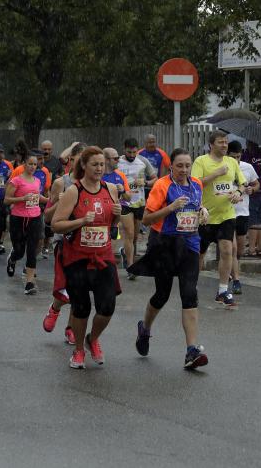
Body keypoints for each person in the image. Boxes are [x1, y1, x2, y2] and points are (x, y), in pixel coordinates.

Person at [129, 148, 210, 369]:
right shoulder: (162, 185)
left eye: (187, 165)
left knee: (189, 293)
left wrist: (202, 210)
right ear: (171, 166)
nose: (184, 170)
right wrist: (171, 207)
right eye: (180, 166)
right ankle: (144, 328)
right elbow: (146, 219)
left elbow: (194, 206)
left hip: (190, 244)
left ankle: (191, 350)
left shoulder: (197, 184)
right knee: (162, 294)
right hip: (164, 244)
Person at [52, 146, 122, 369]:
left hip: (103, 255)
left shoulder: (111, 189)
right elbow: (56, 224)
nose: (100, 168)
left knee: (107, 306)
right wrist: (80, 222)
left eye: (102, 164)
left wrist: (117, 218)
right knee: (81, 307)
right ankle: (79, 349)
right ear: (84, 165)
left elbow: (112, 226)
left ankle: (93, 338)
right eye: (95, 164)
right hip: (77, 257)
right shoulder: (74, 191)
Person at [192, 130, 246, 307]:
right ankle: (192, 288)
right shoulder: (201, 161)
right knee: (199, 254)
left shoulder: (232, 162)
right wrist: (216, 173)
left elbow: (243, 184)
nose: (224, 145)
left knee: (227, 251)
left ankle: (223, 290)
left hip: (227, 215)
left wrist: (238, 192)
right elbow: (195, 183)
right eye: (221, 142)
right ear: (211, 145)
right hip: (205, 216)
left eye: (226, 142)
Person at [42, 142, 87, 345]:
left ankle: (71, 328)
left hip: (87, 242)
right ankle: (55, 308)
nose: (86, 165)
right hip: (65, 240)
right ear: (72, 160)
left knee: (81, 289)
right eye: (81, 160)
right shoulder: (62, 183)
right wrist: (61, 202)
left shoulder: (95, 182)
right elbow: (47, 217)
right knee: (68, 286)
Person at [4, 153, 46, 295]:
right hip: (18, 218)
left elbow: (38, 197)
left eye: (35, 164)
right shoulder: (16, 181)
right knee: (20, 250)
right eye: (30, 164)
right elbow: (7, 200)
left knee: (32, 250)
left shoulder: (37, 180)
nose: (33, 167)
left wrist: (52, 199)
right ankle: (12, 259)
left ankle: (29, 283)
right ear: (24, 164)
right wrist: (22, 198)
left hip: (34, 217)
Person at [116, 137, 158, 278]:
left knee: (134, 237)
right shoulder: (118, 162)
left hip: (139, 202)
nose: (132, 155)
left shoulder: (143, 161)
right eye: (129, 152)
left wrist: (145, 182)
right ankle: (131, 267)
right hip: (124, 202)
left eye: (134, 152)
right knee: (129, 234)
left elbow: (155, 179)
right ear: (124, 149)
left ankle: (126, 254)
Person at [227, 140, 259, 294]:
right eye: (233, 157)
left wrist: (252, 189)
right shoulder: (222, 169)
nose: (236, 160)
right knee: (231, 248)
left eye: (238, 157)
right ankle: (236, 279)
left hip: (243, 212)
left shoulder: (247, 167)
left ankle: (231, 269)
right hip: (227, 213)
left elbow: (256, 183)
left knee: (239, 249)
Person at [242, 141, 261, 257]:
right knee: (259, 220)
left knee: (252, 221)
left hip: (253, 190)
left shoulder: (248, 157)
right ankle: (260, 247)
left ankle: (251, 249)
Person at [101, 147, 132, 239]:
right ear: (106, 160)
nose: (118, 161)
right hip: (99, 214)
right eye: (115, 158)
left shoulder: (120, 175)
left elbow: (128, 198)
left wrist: (122, 191)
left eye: (118, 158)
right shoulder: (97, 174)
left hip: (115, 216)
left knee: (115, 241)